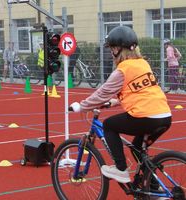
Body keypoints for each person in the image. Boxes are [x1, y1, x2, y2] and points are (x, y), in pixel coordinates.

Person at [72, 26, 172, 183]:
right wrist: (116, 101)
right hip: (164, 117)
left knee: (109, 125)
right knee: (138, 148)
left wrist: (81, 106)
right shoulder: (142, 64)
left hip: (145, 117)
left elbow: (102, 93)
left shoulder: (122, 69)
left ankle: (121, 170)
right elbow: (140, 90)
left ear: (118, 49)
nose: (111, 52)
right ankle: (153, 187)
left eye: (112, 48)